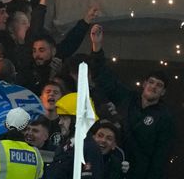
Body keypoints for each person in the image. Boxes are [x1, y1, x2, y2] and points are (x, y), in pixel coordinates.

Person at [89, 25, 174, 179]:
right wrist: (97, 47)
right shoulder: (127, 98)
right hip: (112, 169)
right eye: (151, 82)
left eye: (159, 85)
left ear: (163, 92)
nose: (153, 87)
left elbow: (160, 157)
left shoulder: (165, 117)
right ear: (144, 84)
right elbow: (105, 78)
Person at [43, 93, 104, 179]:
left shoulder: (89, 148)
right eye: (60, 118)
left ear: (78, 120)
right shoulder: (66, 145)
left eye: (64, 118)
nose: (60, 122)